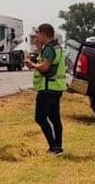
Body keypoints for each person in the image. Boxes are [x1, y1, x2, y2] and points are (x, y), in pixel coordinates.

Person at [24, 23, 66, 155]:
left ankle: (53, 147)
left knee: (40, 118)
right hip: (56, 88)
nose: (36, 36)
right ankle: (58, 147)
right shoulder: (56, 47)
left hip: (47, 89)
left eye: (37, 34)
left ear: (43, 34)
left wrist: (33, 65)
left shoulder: (49, 49)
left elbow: (45, 67)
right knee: (55, 118)